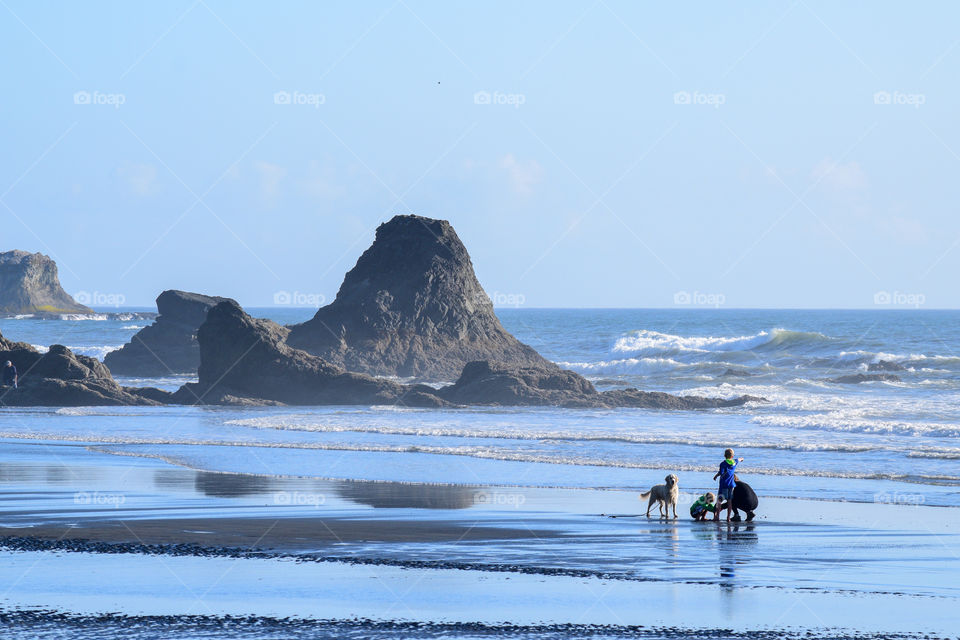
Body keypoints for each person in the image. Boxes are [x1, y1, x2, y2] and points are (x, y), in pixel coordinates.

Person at [712, 448, 743, 522]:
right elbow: (739, 459)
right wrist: (742, 459)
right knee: (729, 501)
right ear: (732, 456)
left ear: (724, 455)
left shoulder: (723, 463)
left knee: (719, 501)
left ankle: (717, 517)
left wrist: (716, 476)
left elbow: (721, 472)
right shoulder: (734, 462)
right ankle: (728, 517)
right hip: (731, 485)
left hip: (723, 485)